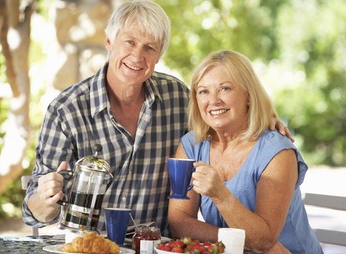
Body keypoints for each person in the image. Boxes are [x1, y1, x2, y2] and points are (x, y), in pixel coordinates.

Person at [22, 1, 290, 238]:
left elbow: (219, 113)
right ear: (109, 42)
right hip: (89, 251)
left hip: (155, 252)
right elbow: (33, 212)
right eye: (129, 42)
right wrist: (44, 201)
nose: (138, 56)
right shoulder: (66, 110)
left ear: (159, 55)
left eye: (150, 48)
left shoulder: (176, 98)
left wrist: (264, 117)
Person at [168, 50, 325, 254]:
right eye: (203, 91)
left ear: (249, 96)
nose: (213, 101)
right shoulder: (192, 145)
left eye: (225, 88)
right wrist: (240, 243)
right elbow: (179, 222)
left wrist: (220, 195)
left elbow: (263, 240)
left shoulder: (277, 152)